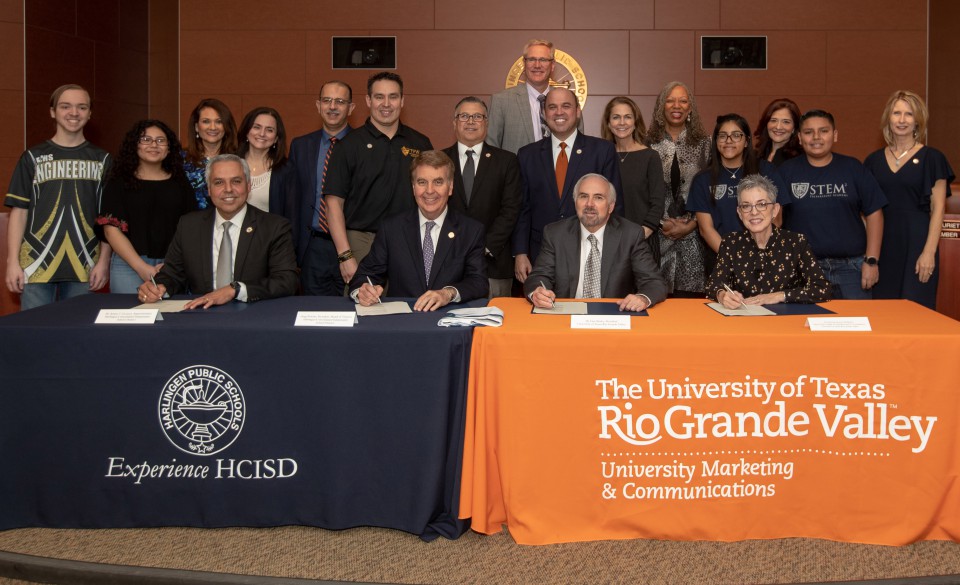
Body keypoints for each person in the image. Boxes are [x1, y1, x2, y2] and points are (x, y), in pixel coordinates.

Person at [137, 154, 298, 308]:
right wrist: (158, 287)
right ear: (208, 189)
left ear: (248, 186)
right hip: (203, 316)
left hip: (254, 315)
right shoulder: (189, 225)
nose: (228, 189)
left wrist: (235, 290)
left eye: (236, 181)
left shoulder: (274, 227)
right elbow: (172, 274)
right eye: (219, 182)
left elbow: (287, 281)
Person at [5, 84, 112, 310]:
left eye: (81, 107)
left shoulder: (102, 159)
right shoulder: (32, 157)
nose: (74, 113)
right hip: (35, 265)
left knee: (76, 337)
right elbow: (19, 212)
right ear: (52, 111)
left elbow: (108, 218)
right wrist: (12, 262)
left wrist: (104, 262)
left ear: (90, 113)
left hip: (85, 265)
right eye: (66, 106)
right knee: (33, 336)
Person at [324, 72, 433, 287]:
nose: (386, 103)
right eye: (379, 96)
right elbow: (333, 204)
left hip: (410, 240)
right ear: (368, 100)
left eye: (393, 97)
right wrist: (345, 256)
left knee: (411, 310)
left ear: (402, 101)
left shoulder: (420, 143)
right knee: (364, 310)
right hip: (362, 241)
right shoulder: (348, 146)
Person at [349, 150, 487, 311]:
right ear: (413, 187)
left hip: (448, 321)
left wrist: (447, 293)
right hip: (403, 324)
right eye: (422, 182)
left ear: (450, 187)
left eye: (438, 182)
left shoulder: (471, 230)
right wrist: (362, 291)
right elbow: (365, 275)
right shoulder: (392, 228)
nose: (429, 191)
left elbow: (478, 282)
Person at [513, 87, 622, 283]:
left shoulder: (602, 150)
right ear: (544, 114)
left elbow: (615, 205)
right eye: (552, 107)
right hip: (540, 255)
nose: (559, 112)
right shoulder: (527, 155)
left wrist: (613, 253)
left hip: (591, 251)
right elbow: (522, 208)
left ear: (578, 111)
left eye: (566, 106)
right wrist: (521, 253)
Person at [779, 110, 887, 299]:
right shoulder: (786, 172)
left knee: (856, 327)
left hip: (853, 269)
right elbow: (774, 219)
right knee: (805, 326)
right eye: (808, 132)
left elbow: (874, 213)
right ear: (799, 138)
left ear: (835, 135)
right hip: (805, 269)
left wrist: (871, 261)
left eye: (823, 131)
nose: (816, 137)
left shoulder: (853, 168)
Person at [864, 90, 954, 310]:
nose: (902, 120)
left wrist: (928, 253)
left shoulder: (933, 158)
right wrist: (869, 256)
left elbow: (938, 208)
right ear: (888, 118)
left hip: (918, 245)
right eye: (896, 113)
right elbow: (865, 211)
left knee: (916, 311)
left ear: (918, 121)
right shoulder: (873, 161)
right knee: (882, 312)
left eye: (909, 114)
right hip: (883, 246)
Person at [525, 174, 667, 312]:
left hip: (614, 317)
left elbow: (654, 282)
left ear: (611, 206)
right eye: (583, 196)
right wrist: (537, 292)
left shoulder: (630, 234)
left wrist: (642, 298)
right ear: (575, 203)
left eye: (598, 198)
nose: (589, 204)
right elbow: (539, 276)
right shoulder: (555, 233)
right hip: (566, 317)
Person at [97, 119, 196, 294]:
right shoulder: (118, 181)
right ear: (134, 145)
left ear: (169, 147)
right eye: (146, 139)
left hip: (172, 266)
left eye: (160, 140)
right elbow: (111, 230)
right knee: (130, 320)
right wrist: (140, 267)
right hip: (128, 266)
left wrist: (172, 264)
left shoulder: (180, 182)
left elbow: (191, 226)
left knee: (172, 320)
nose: (153, 145)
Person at [708, 174, 830, 307]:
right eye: (746, 206)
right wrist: (722, 296)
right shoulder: (730, 242)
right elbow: (714, 285)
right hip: (743, 321)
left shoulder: (796, 242)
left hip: (786, 320)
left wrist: (778, 296)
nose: (753, 212)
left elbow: (822, 288)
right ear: (739, 213)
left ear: (775, 210)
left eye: (761, 204)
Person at [442, 96, 521, 298]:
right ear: (454, 123)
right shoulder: (438, 160)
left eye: (477, 116)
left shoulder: (507, 161)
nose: (470, 121)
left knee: (495, 326)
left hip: (494, 263)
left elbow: (510, 210)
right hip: (446, 261)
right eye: (464, 116)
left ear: (487, 123)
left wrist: (483, 247)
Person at [687, 114, 789, 264]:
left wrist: (755, 254)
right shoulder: (702, 180)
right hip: (721, 260)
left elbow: (776, 219)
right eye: (722, 136)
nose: (729, 141)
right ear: (716, 141)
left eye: (736, 135)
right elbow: (706, 229)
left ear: (746, 141)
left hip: (763, 258)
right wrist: (733, 259)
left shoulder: (767, 171)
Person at [289, 80, 356, 295]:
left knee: (353, 313)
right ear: (318, 105)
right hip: (311, 246)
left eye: (340, 101)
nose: (332, 106)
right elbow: (294, 198)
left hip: (352, 244)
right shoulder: (300, 146)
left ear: (351, 108)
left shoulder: (363, 144)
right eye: (327, 100)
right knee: (311, 315)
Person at [645, 81, 711, 297]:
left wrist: (691, 225)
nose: (677, 106)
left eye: (683, 101)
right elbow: (641, 192)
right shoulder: (646, 143)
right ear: (661, 106)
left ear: (690, 108)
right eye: (670, 100)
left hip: (696, 241)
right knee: (655, 303)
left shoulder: (706, 144)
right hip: (656, 238)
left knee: (693, 310)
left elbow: (712, 192)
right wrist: (661, 222)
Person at [600, 96, 665, 239]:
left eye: (628, 117)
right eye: (616, 117)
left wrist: (643, 233)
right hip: (609, 239)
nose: (622, 122)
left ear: (635, 122)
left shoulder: (650, 157)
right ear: (609, 123)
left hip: (643, 239)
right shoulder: (602, 157)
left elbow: (658, 202)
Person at [487, 39, 555, 154]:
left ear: (552, 65)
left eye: (543, 60)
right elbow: (491, 149)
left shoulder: (568, 101)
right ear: (524, 64)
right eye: (531, 59)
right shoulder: (501, 101)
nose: (537, 65)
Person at [236, 106, 296, 215]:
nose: (262, 134)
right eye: (256, 127)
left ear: (276, 138)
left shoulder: (286, 170)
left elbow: (292, 214)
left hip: (270, 231)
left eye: (269, 130)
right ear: (246, 131)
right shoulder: (229, 164)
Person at [182, 98, 238, 209]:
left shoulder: (238, 159)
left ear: (226, 127)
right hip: (190, 223)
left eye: (219, 121)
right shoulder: (180, 160)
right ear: (197, 127)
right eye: (206, 121)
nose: (213, 127)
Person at [755, 98, 802, 166]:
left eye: (786, 122)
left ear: (794, 127)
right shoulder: (756, 156)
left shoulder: (800, 160)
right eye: (773, 120)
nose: (778, 127)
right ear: (766, 124)